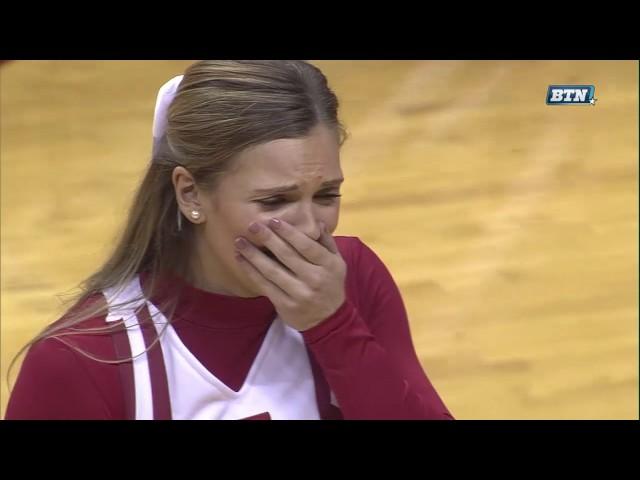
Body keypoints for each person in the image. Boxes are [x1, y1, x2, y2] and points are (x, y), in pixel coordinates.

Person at [5, 60, 453, 420]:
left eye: (326, 195)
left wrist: (333, 326)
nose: (311, 228)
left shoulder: (352, 279)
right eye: (274, 201)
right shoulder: (83, 359)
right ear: (190, 193)